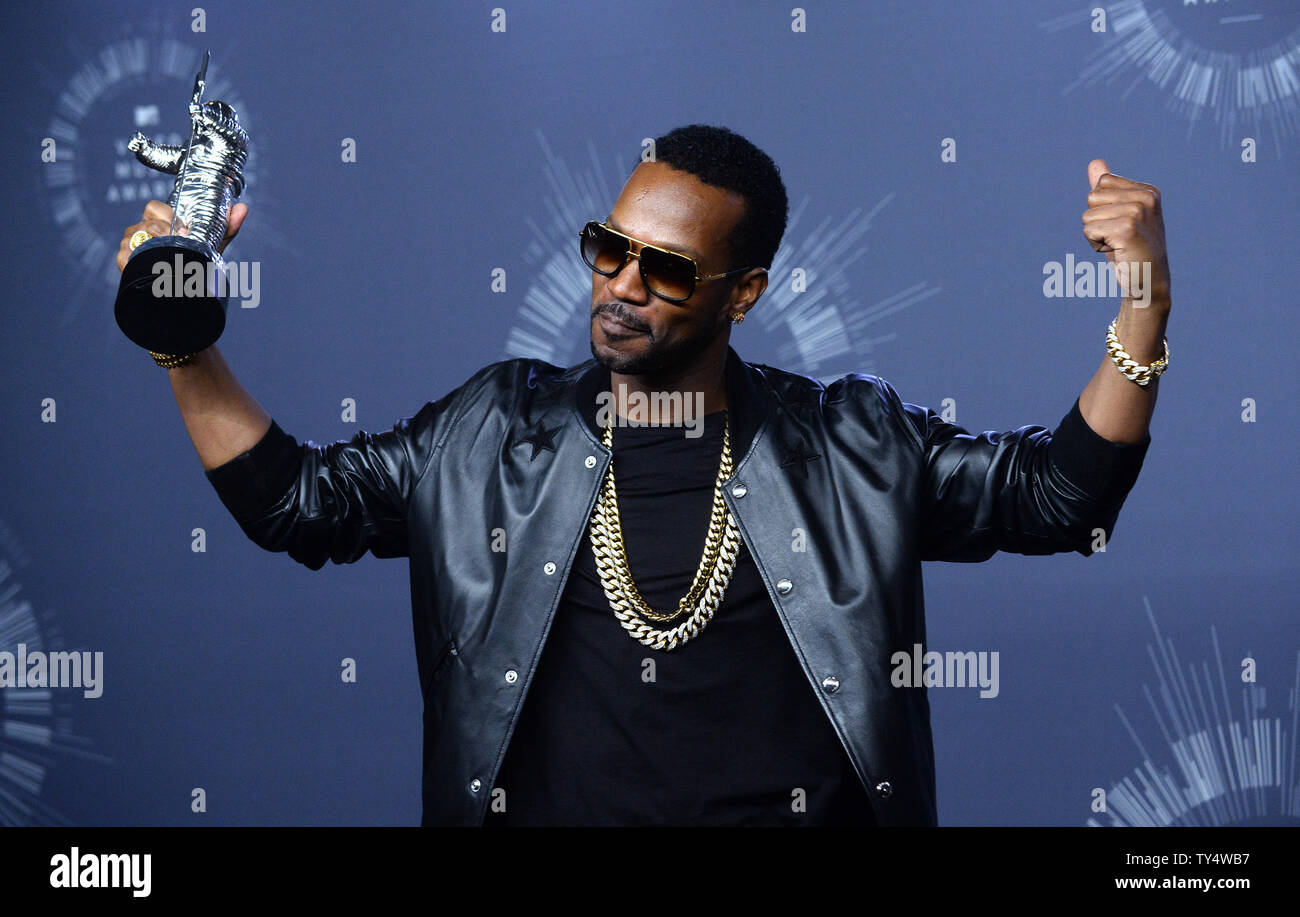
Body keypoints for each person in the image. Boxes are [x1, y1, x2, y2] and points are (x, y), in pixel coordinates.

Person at [115, 124, 1168, 826]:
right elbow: (301, 505)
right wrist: (183, 344)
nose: (621, 285)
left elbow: (1058, 497)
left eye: (665, 269)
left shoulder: (851, 443)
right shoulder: (495, 428)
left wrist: (1142, 304)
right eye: (607, 249)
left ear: (741, 293)